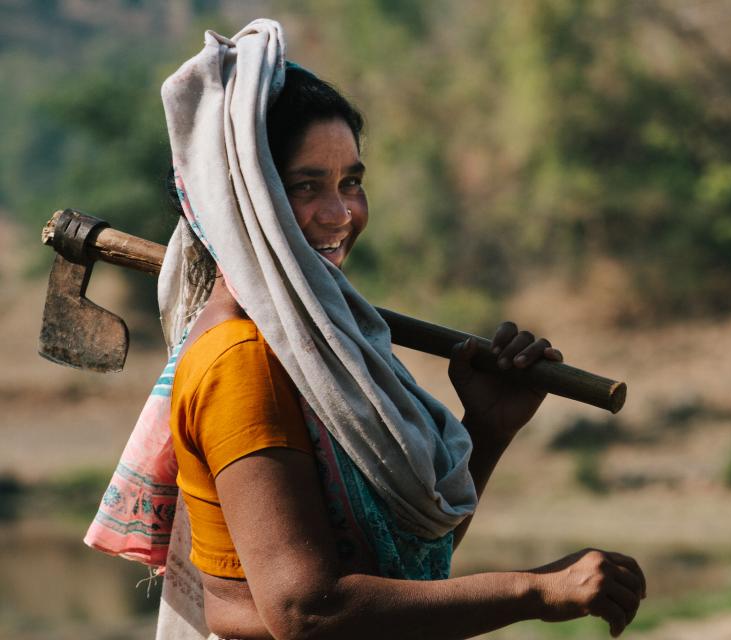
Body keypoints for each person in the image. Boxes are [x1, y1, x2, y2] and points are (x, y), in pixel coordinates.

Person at [90, 20, 645, 640]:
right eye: (305, 186)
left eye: (350, 182)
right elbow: (308, 610)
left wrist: (486, 430)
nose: (341, 213)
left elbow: (395, 570)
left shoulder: (327, 344)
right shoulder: (242, 359)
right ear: (247, 201)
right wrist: (538, 589)